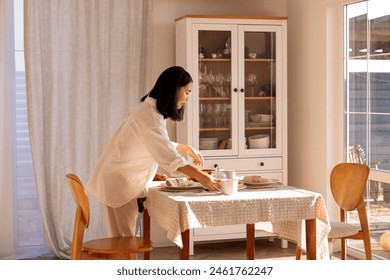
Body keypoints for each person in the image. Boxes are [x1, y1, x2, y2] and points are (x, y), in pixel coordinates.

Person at [86, 66, 221, 237]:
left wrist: (182, 147)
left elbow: (154, 143)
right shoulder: (151, 117)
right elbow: (169, 157)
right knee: (125, 243)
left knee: (121, 240)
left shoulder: (148, 110)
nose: (187, 98)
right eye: (187, 92)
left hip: (117, 178)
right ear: (174, 89)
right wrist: (202, 177)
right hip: (121, 183)